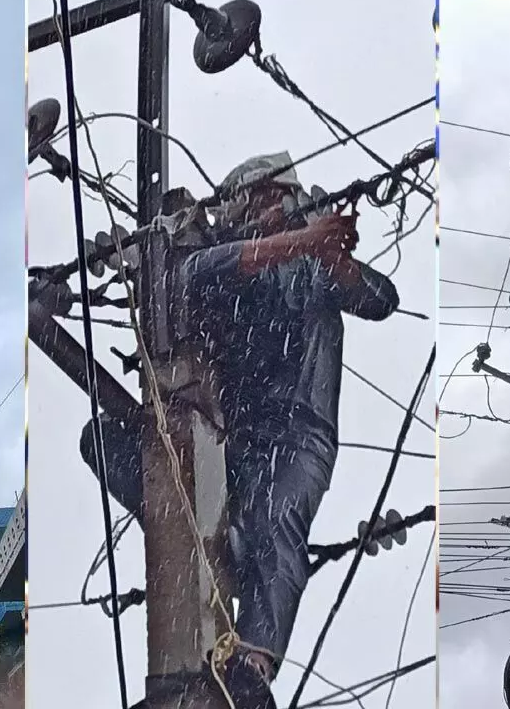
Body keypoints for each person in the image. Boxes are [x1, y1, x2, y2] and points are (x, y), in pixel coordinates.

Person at [79, 153, 400, 709]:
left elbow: (380, 299)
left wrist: (328, 252)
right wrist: (301, 242)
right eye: (249, 199)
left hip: (297, 438)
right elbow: (191, 274)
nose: (258, 209)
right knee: (103, 439)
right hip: (228, 438)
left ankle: (252, 663)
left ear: (289, 197)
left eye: (265, 196)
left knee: (275, 517)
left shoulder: (315, 268)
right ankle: (193, 525)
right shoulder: (231, 259)